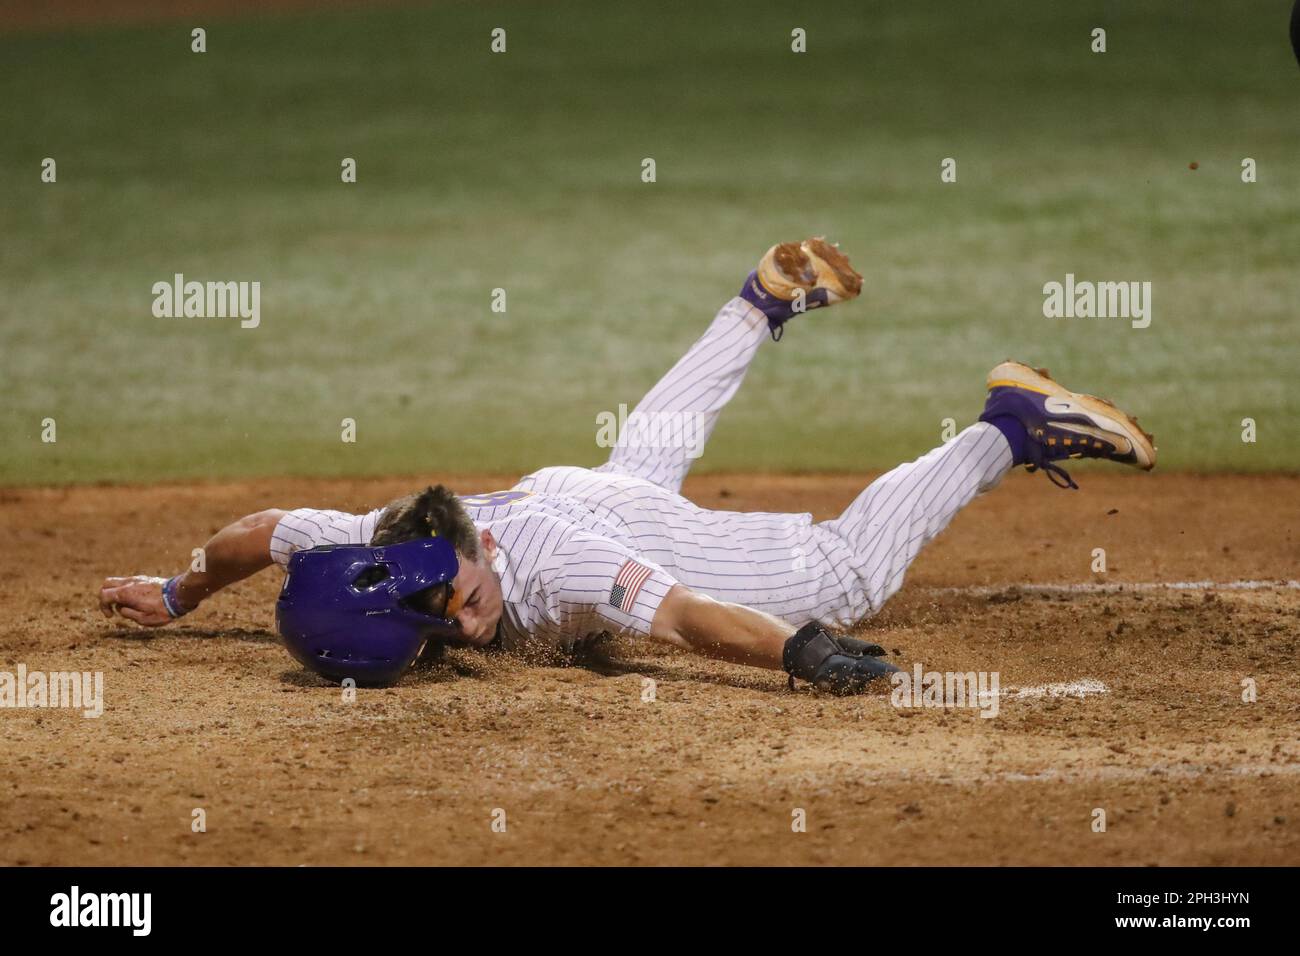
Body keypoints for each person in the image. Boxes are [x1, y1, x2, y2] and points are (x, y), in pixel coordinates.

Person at [99, 238, 1155, 692]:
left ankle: (1005, 425)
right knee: (641, 458)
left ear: (477, 551)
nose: (458, 614)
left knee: (843, 572)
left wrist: (799, 655)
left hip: (590, 523)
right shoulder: (391, 541)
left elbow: (689, 617)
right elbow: (262, 529)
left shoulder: (558, 569)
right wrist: (178, 590)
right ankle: (755, 301)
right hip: (570, 490)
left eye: (463, 595)